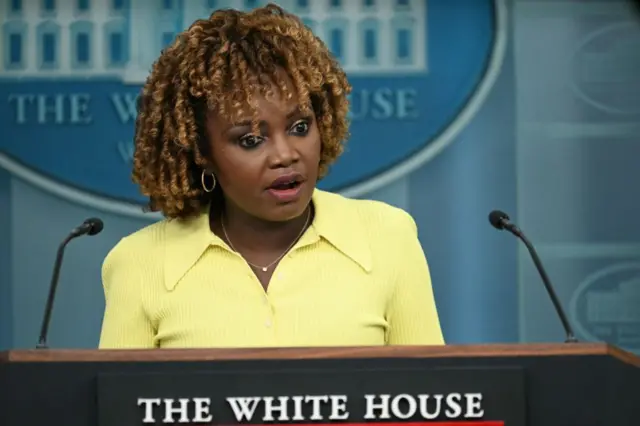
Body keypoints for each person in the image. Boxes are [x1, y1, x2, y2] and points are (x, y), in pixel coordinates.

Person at [98, 3, 444, 349]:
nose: (285, 154)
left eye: (299, 127)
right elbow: (120, 402)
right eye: (251, 140)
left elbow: (429, 395)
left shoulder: (388, 238)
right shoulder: (138, 264)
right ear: (202, 154)